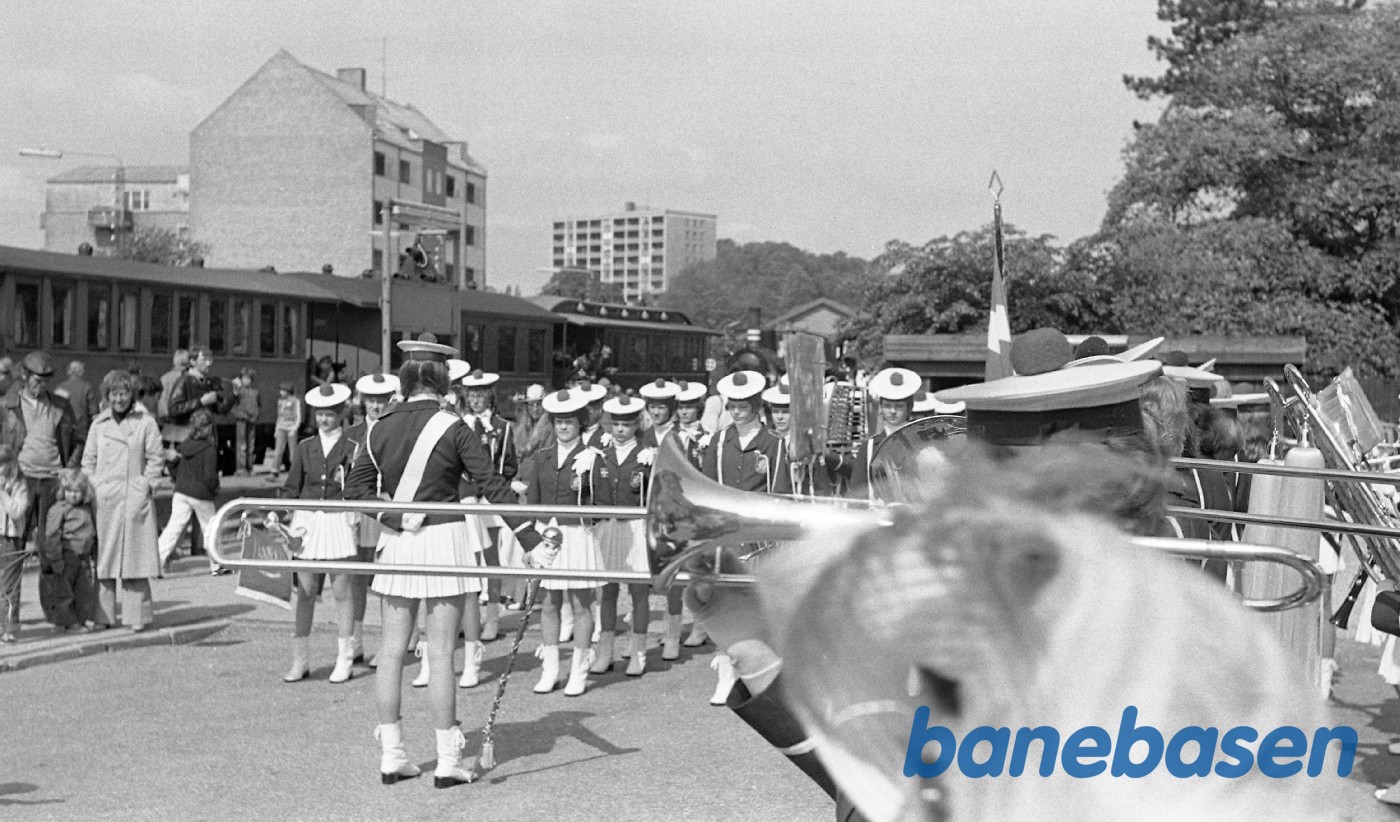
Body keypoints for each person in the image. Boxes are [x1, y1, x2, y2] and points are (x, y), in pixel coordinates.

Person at [343, 333, 543, 789]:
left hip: (398, 541)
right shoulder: (454, 426)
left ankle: (392, 755)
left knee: (392, 653)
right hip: (447, 539)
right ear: (442, 380)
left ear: (406, 379)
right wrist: (530, 538)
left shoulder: (378, 426)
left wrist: (394, 514)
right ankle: (448, 761)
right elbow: (492, 485)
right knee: (439, 652)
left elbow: (353, 492)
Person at [696, 369, 792, 705]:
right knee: (724, 607)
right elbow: (706, 490)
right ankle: (726, 670)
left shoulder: (774, 445)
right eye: (732, 407)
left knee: (757, 609)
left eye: (743, 407)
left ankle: (761, 672)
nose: (736, 413)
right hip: (726, 536)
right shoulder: (719, 442)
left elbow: (781, 495)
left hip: (758, 539)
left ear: (755, 406)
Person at [518, 387, 606, 697]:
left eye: (569, 421)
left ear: (580, 423)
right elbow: (533, 503)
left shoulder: (592, 457)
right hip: (547, 534)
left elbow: (602, 507)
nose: (563, 427)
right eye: (558, 421)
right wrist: (530, 544)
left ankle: (579, 670)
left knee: (582, 603)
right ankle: (551, 669)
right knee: (549, 603)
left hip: (577, 534)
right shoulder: (542, 457)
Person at [282, 383, 360, 684]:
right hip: (308, 524)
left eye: (330, 414)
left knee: (342, 591)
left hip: (338, 522)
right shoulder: (304, 447)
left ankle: (345, 659)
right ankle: (300, 659)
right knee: (306, 592)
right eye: (320, 414)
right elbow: (292, 487)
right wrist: (280, 511)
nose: (324, 420)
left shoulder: (352, 448)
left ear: (342, 414)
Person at [1, 351, 79, 628]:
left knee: (51, 550)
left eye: (46, 380)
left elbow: (78, 439)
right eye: (37, 379)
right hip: (19, 483)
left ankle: (60, 616)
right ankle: (9, 622)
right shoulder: (8, 406)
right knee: (12, 552)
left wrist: (69, 468)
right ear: (24, 376)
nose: (41, 385)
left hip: (52, 483)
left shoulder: (61, 406)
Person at [82, 369, 163, 632]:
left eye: (124, 393)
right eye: (114, 394)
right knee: (105, 562)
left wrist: (144, 485)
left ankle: (137, 617)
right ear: (107, 395)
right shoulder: (98, 424)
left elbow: (155, 460)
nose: (119, 399)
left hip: (134, 500)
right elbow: (88, 462)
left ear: (132, 395)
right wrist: (97, 487)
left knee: (135, 561)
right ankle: (103, 616)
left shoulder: (146, 423)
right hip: (106, 501)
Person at [589, 395, 656, 677]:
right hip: (607, 525)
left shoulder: (646, 454)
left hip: (635, 526)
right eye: (615, 424)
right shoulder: (598, 451)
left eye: (626, 425)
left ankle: (638, 650)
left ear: (636, 425)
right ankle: (605, 651)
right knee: (607, 591)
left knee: (639, 591)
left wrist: (656, 461)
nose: (619, 430)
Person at [344, 372, 400, 666]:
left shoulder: (396, 431)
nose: (376, 406)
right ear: (362, 402)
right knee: (357, 578)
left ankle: (389, 643)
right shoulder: (351, 434)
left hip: (387, 507)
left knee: (386, 581)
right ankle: (355, 640)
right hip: (359, 510)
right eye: (371, 401)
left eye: (382, 400)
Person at [459, 368, 518, 646]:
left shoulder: (502, 427)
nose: (477, 399)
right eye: (472, 394)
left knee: (492, 558)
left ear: (490, 396)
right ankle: (466, 618)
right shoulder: (458, 424)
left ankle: (493, 617)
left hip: (490, 497)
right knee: (468, 557)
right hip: (466, 495)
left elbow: (509, 464)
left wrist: (495, 486)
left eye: (481, 394)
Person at [825, 367, 920, 501]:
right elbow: (857, 491)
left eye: (899, 406)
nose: (892, 411)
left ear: (909, 407)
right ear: (881, 406)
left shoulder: (920, 442)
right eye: (887, 405)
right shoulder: (868, 447)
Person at [157, 409, 222, 576]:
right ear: (207, 428)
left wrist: (178, 479)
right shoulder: (209, 449)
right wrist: (215, 488)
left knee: (174, 527)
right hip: (201, 494)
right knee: (211, 527)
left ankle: (156, 561)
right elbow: (210, 475)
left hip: (181, 491)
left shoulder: (184, 446)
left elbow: (173, 465)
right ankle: (218, 564)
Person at [44, 468, 98, 629]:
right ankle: (65, 622)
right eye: (68, 491)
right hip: (67, 556)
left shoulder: (87, 509)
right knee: (64, 592)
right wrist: (56, 560)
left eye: (76, 491)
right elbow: (51, 535)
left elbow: (93, 533)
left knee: (84, 591)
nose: (72, 495)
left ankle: (81, 619)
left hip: (84, 557)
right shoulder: (59, 509)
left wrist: (94, 554)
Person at [165, 347, 235, 445]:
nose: (208, 363)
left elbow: (221, 409)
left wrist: (234, 394)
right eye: (204, 360)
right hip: (189, 439)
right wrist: (201, 402)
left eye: (210, 360)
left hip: (205, 439)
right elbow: (173, 409)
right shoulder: (184, 381)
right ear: (193, 362)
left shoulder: (206, 383)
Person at [0, 446, 31, 642]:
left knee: (8, 587)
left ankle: (7, 629)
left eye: (4, 464)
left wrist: (3, 493)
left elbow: (17, 512)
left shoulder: (20, 486)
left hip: (10, 539)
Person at [54, 360, 98, 460]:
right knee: (78, 464)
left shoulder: (59, 388)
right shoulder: (87, 388)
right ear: (81, 372)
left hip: (63, 432)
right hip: (81, 432)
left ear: (69, 371)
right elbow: (94, 413)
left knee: (63, 462)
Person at [266, 382, 301, 475]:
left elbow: (298, 415)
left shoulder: (295, 401)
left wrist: (294, 428)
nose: (281, 392)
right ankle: (274, 470)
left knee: (292, 450)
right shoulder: (280, 401)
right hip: (281, 426)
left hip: (291, 427)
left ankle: (294, 471)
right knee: (278, 450)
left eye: (283, 390)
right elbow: (279, 416)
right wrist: (276, 428)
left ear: (288, 391)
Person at [232, 368, 261, 475]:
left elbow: (258, 405)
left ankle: (250, 467)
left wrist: (256, 414)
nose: (246, 381)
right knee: (242, 444)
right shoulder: (238, 391)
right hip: (242, 419)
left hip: (252, 420)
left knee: (251, 445)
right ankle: (241, 468)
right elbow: (234, 402)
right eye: (244, 378)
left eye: (248, 378)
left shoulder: (255, 392)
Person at [512, 383, 551, 460]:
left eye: (539, 405)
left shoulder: (549, 429)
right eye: (531, 405)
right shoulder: (520, 428)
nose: (535, 409)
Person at [157, 349, 190, 427]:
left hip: (168, 422)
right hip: (185, 421)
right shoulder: (190, 378)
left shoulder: (164, 378)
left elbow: (162, 402)